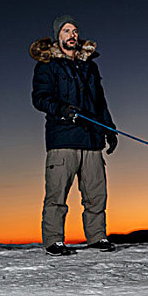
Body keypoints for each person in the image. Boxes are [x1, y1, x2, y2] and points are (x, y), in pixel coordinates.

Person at [30, 15, 118, 255]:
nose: (72, 35)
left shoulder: (90, 66)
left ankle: (97, 237)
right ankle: (53, 240)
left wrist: (109, 129)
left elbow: (100, 102)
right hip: (63, 140)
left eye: (75, 30)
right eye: (67, 30)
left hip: (92, 140)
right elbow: (39, 98)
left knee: (96, 194)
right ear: (58, 36)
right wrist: (62, 110)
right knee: (57, 194)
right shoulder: (47, 65)